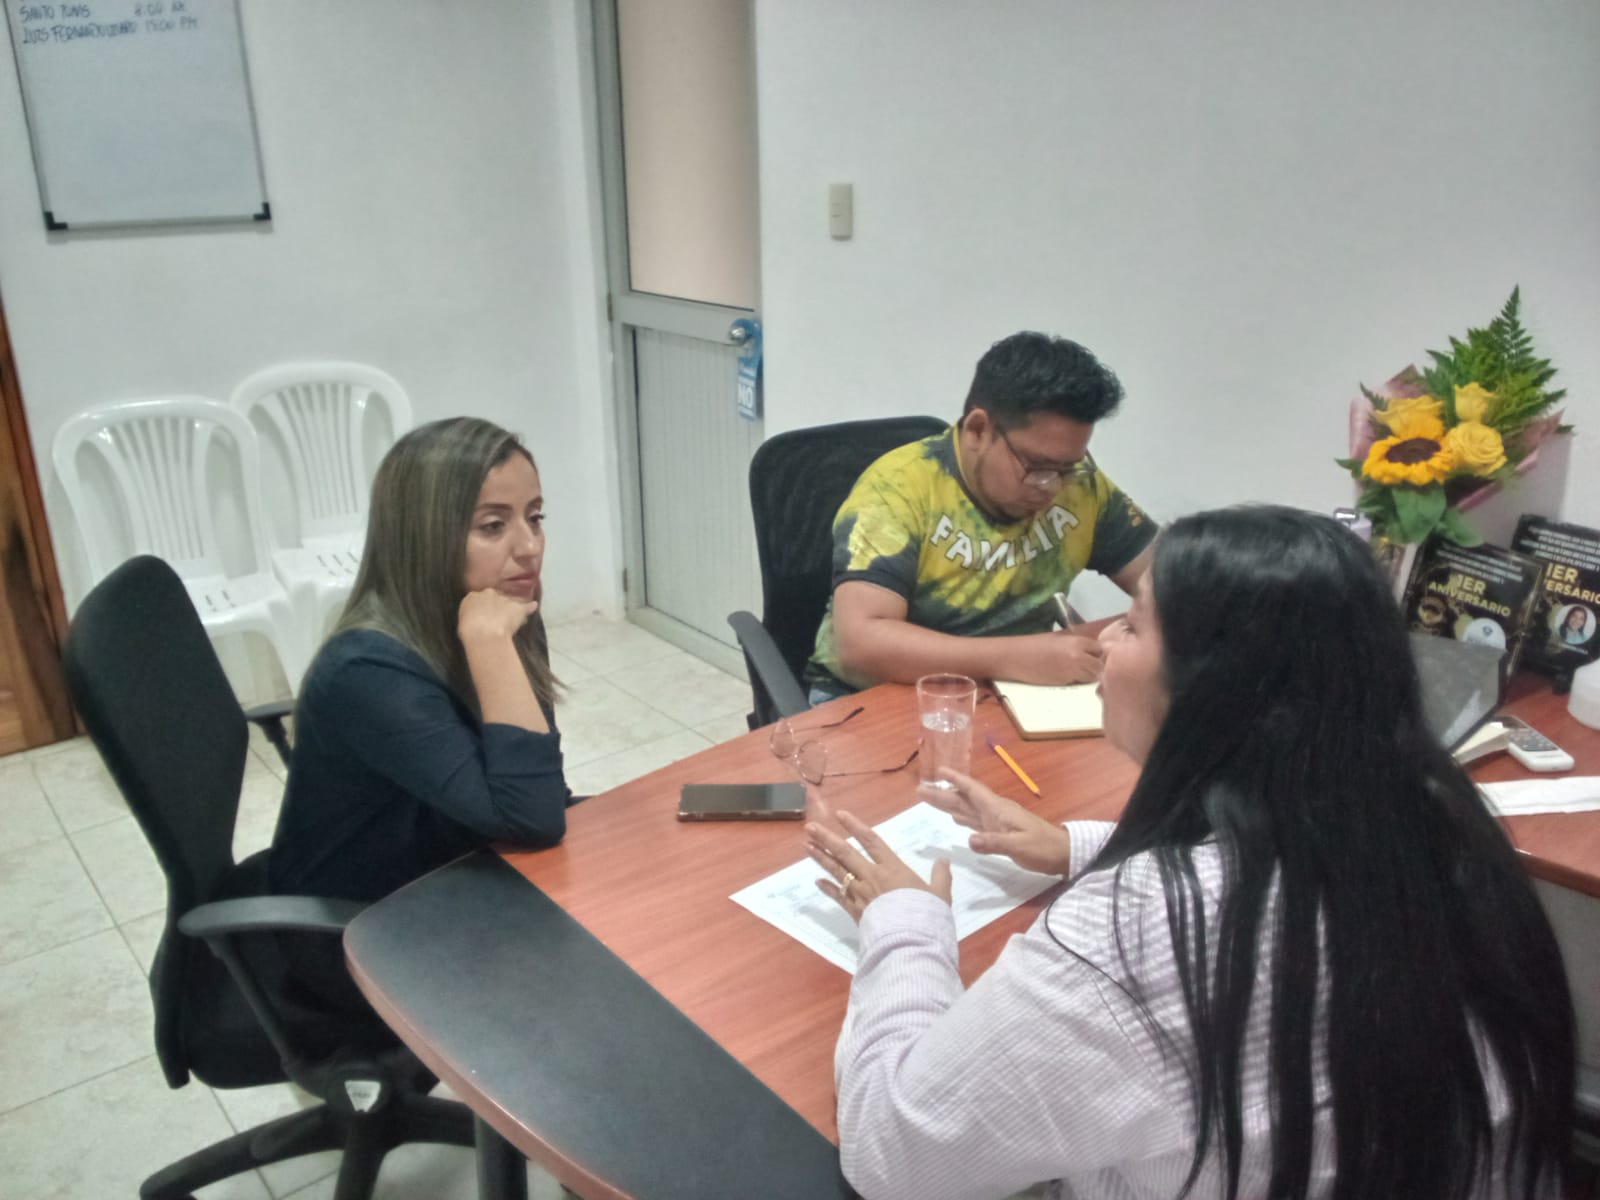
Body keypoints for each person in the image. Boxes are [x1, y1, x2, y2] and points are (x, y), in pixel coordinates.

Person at [807, 506, 1573, 1200]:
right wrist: (1076, 846)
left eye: (1133, 625)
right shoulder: (1437, 821)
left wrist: (904, 922)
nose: (1104, 640)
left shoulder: (1136, 933)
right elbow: (1276, 867)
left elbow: (894, 1156)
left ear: (1214, 686)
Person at [269, 417, 577, 1007]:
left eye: (535, 517)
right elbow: (534, 817)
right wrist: (490, 646)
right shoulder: (367, 670)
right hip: (358, 933)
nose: (529, 546)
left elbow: (540, 790)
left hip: (455, 870)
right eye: (493, 525)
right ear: (425, 535)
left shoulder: (496, 607)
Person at [805, 331, 1156, 703]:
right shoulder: (896, 491)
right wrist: (1018, 657)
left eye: (1069, 467)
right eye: (1037, 467)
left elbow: (1173, 581)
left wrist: (1134, 630)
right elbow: (861, 645)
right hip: (880, 696)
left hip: (1018, 694)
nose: (1053, 486)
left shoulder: (1080, 486)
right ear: (977, 430)